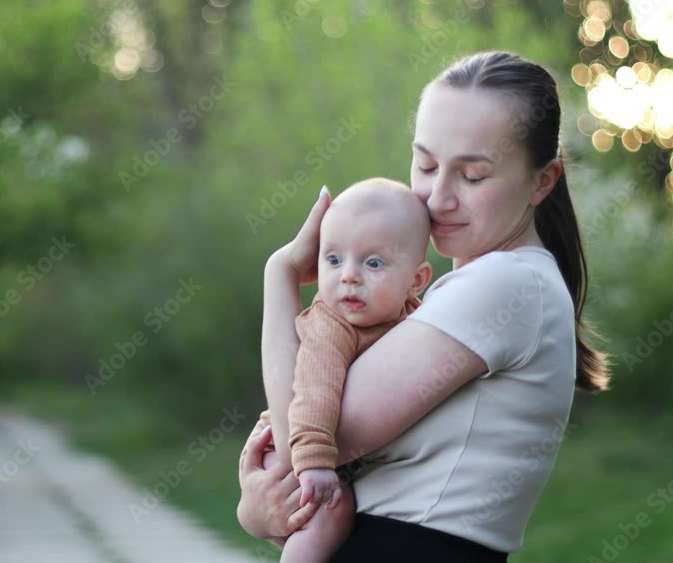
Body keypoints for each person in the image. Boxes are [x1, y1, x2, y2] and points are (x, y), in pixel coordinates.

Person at [237, 51, 610, 562]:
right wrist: (262, 510)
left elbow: (310, 437)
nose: (438, 198)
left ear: (541, 181)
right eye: (427, 165)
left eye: (472, 176)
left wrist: (280, 276)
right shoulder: (455, 292)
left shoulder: (505, 283)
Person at [258, 177, 433, 562]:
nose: (348, 276)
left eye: (373, 263)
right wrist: (316, 463)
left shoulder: (417, 317)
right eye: (333, 259)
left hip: (332, 453)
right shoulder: (331, 325)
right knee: (330, 517)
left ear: (416, 281)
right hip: (298, 438)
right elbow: (316, 391)